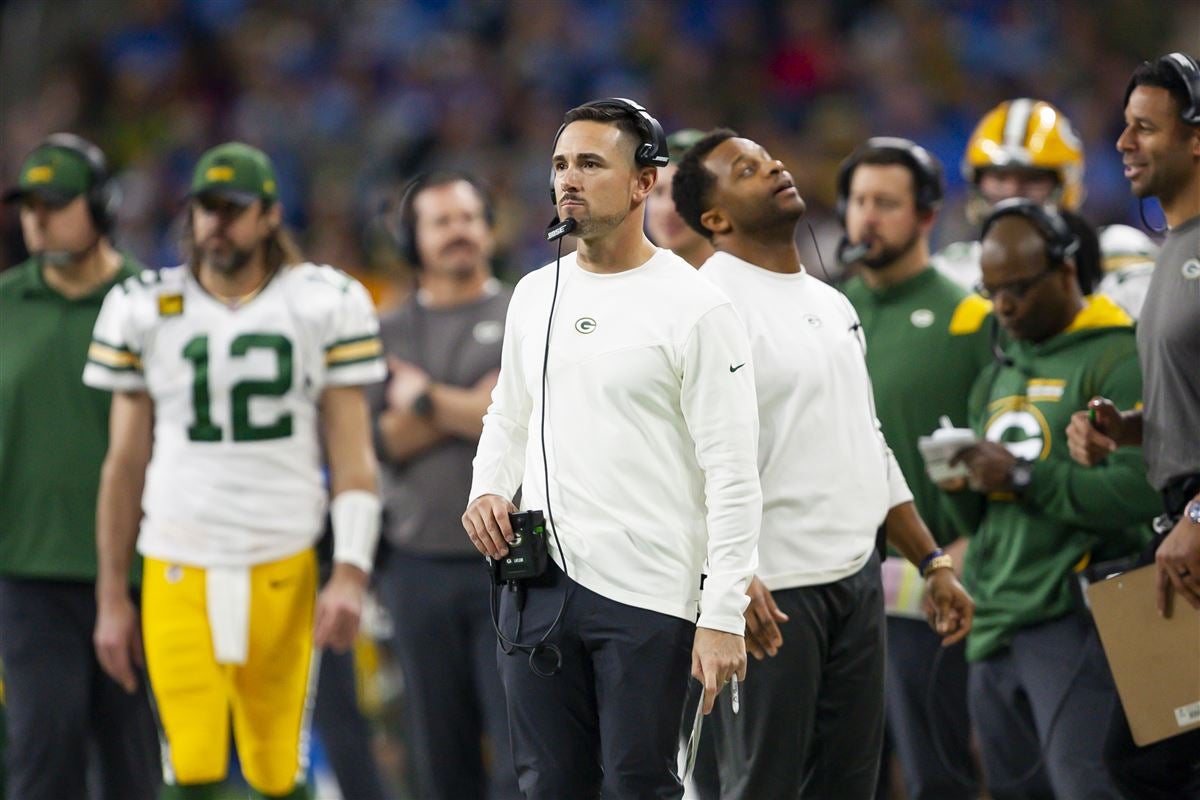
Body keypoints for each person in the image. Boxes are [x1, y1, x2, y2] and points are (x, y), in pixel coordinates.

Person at [462, 99, 761, 799]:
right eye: (561, 164)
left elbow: (732, 471)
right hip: (537, 587)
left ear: (643, 183)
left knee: (641, 787)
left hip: (650, 595)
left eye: (591, 164)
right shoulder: (534, 294)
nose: (569, 179)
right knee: (547, 784)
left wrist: (721, 615)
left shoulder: (697, 307)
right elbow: (509, 412)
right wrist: (486, 488)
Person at [670, 128, 974, 800]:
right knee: (764, 788)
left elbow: (868, 443)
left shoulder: (834, 303)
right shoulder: (703, 308)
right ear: (714, 218)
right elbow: (679, 465)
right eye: (747, 169)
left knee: (850, 787)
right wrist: (724, 576)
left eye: (769, 157)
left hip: (857, 583)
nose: (775, 165)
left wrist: (933, 562)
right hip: (771, 597)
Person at [85, 142, 386, 800]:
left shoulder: (321, 301)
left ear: (270, 215)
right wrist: (112, 594)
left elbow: (352, 455)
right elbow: (124, 463)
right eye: (205, 208)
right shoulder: (143, 306)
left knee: (278, 767)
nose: (217, 221)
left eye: (234, 208)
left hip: (283, 556)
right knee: (188, 764)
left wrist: (350, 571)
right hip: (174, 557)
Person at [952, 199, 1161, 799]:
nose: (1004, 307)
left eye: (1017, 287)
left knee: (1089, 789)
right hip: (997, 620)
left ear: (1067, 271)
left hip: (1079, 617)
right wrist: (960, 486)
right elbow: (980, 519)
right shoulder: (999, 371)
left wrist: (1023, 478)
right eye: (992, 291)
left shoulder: (1118, 355)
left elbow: (1141, 491)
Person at [0, 134, 159, 800]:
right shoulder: (5, 302)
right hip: (29, 568)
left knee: (134, 764)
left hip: (144, 570)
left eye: (55, 203)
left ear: (101, 206)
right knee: (44, 755)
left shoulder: (153, 303)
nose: (36, 217)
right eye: (27, 205)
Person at [838, 137, 991, 800]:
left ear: (927, 216)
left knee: (938, 776)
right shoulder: (829, 313)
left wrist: (966, 553)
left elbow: (1011, 450)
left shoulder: (972, 318)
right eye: (858, 201)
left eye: (886, 203)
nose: (866, 217)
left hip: (935, 585)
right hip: (841, 589)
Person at [1067, 51, 1200, 799]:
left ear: (1196, 139)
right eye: (1123, 126)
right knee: (1147, 760)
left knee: (1150, 761)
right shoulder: (1172, 250)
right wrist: (1130, 431)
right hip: (1178, 531)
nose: (1122, 143)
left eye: (1145, 128)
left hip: (1194, 527)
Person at [370, 171, 519, 799]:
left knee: (522, 751)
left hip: (515, 565)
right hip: (417, 565)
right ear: (414, 240)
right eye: (441, 221)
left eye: (468, 217)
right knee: (436, 752)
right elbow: (383, 440)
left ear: (488, 227)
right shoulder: (386, 328)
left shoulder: (527, 309)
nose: (458, 231)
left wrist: (424, 398)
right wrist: (475, 405)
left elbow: (518, 419)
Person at [933, 98, 1084, 291]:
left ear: (1064, 184)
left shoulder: (1109, 258)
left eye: (1032, 178)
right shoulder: (950, 271)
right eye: (1000, 177)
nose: (1012, 192)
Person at [646, 128, 714, 269]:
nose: (668, 208)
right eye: (658, 191)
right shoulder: (630, 285)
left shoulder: (745, 286)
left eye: (686, 192)